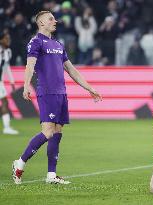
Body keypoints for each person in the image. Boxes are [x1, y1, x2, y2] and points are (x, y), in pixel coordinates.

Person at [12, 11, 102, 185]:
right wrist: (25, 85)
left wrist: (89, 88)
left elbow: (71, 70)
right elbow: (30, 64)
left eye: (54, 19)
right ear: (41, 23)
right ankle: (20, 162)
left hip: (61, 93)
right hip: (47, 92)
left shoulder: (58, 44)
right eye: (51, 19)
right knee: (48, 132)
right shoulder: (36, 42)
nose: (55, 21)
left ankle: (51, 175)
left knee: (57, 133)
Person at [0, 29, 19, 135]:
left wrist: (12, 81)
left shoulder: (8, 52)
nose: (8, 41)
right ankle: (6, 128)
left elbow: (7, 67)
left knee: (5, 102)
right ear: (1, 40)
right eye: (6, 39)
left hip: (0, 81)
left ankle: (7, 127)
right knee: (5, 102)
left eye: (9, 39)